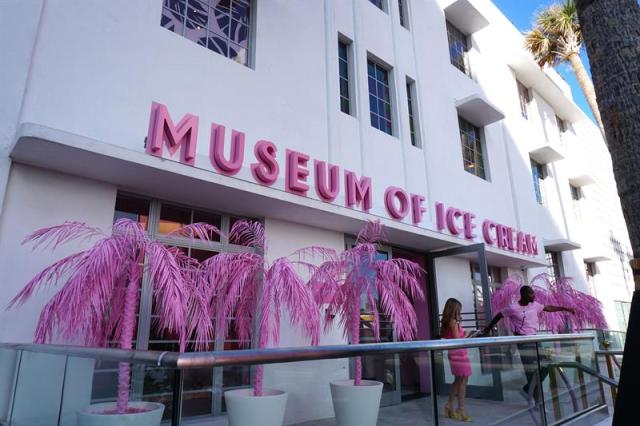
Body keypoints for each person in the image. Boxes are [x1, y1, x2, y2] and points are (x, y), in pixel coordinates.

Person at [482, 285, 576, 402]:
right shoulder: (513, 307)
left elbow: (548, 308)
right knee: (531, 371)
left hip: (535, 339)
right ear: (524, 295)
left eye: (533, 294)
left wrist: (566, 309)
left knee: (546, 363)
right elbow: (499, 316)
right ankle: (537, 401)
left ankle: (527, 389)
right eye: (531, 294)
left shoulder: (534, 305)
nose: (533, 296)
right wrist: (489, 328)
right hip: (523, 340)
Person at [441, 298, 472, 422]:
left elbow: (456, 336)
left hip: (459, 353)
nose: (460, 312)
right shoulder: (452, 321)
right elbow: (457, 339)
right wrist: (467, 335)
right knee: (462, 381)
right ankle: (461, 409)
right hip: (458, 354)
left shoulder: (453, 321)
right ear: (453, 309)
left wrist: (463, 332)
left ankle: (449, 405)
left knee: (459, 381)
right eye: (458, 309)